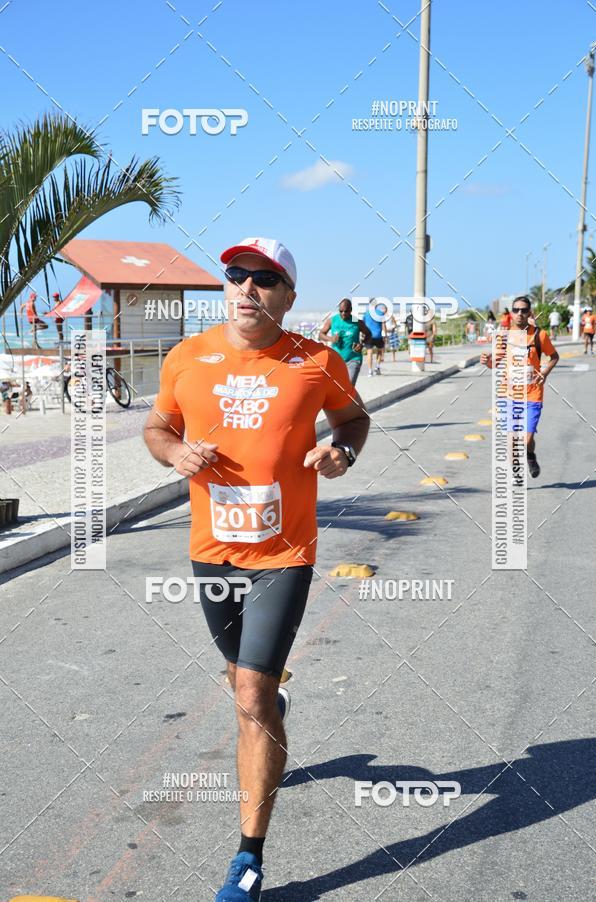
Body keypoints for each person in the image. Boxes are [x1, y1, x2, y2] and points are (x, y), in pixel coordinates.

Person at [143, 237, 370, 902]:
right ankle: (270, 702)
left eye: (264, 279)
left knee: (248, 695)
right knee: (242, 677)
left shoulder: (315, 361)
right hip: (211, 551)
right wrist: (173, 453)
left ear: (288, 297)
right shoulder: (189, 357)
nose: (246, 288)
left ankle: (248, 857)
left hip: (284, 555)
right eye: (236, 276)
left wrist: (341, 455)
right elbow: (157, 427)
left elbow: (353, 419)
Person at [480, 295, 559, 478]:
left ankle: (530, 454)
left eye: (524, 310)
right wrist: (487, 362)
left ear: (529, 312)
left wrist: (544, 373)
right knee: (512, 438)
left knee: (527, 439)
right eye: (516, 310)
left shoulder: (540, 335)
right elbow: (495, 363)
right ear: (512, 313)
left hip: (533, 395)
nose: (520, 313)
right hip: (510, 396)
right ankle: (516, 474)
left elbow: (554, 356)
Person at [319, 298, 371, 385]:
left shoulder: (356, 321)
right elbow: (321, 334)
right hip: (336, 360)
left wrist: (362, 344)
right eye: (341, 311)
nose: (343, 313)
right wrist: (331, 338)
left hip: (353, 359)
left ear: (351, 310)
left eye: (346, 311)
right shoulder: (333, 320)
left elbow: (368, 334)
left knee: (349, 387)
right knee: (336, 387)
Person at [363, 300, 387, 376]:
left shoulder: (366, 314)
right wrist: (385, 335)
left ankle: (370, 371)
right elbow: (383, 325)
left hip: (368, 336)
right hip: (378, 335)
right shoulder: (380, 313)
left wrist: (363, 335)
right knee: (379, 352)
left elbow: (363, 325)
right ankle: (377, 367)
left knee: (369, 353)